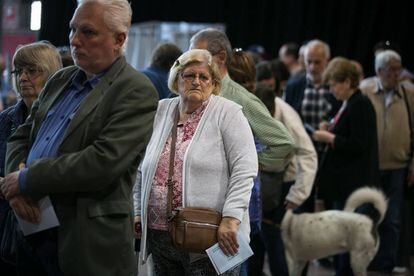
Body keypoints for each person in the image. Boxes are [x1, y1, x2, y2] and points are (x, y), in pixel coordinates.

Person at [0, 0, 158, 275]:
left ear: (119, 39)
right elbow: (22, 135)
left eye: (88, 32)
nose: (74, 40)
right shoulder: (61, 80)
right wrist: (17, 187)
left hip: (86, 243)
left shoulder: (135, 90)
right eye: (73, 30)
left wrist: (27, 179)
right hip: (32, 230)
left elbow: (102, 162)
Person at [134, 49, 258, 275]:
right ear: (176, 79)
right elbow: (141, 166)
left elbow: (245, 169)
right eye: (189, 75)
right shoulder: (161, 110)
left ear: (214, 82)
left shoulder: (228, 113)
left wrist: (231, 219)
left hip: (209, 235)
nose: (196, 82)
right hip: (160, 234)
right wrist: (137, 210)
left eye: (204, 77)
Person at [189, 28, 294, 174]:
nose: (191, 62)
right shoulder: (191, 94)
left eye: (198, 57)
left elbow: (283, 143)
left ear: (221, 57)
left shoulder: (242, 100)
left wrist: (244, 164)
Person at [0, 41, 62, 275]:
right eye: (18, 71)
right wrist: (8, 185)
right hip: (8, 230)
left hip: (55, 233)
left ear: (52, 74)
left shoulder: (67, 119)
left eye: (32, 70)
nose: (23, 78)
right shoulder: (5, 121)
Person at [313, 57, 379, 275]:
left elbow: (359, 143)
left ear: (349, 81)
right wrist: (331, 127)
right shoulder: (350, 102)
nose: (331, 90)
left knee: (349, 240)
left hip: (355, 184)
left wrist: (329, 137)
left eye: (334, 84)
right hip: (345, 183)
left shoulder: (360, 104)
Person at [360, 50, 414, 274]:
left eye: (398, 68)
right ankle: (362, 261)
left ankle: (385, 265)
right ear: (379, 71)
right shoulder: (365, 90)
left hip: (397, 167)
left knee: (391, 219)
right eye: (391, 69)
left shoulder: (410, 93)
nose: (396, 73)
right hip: (368, 168)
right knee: (364, 217)